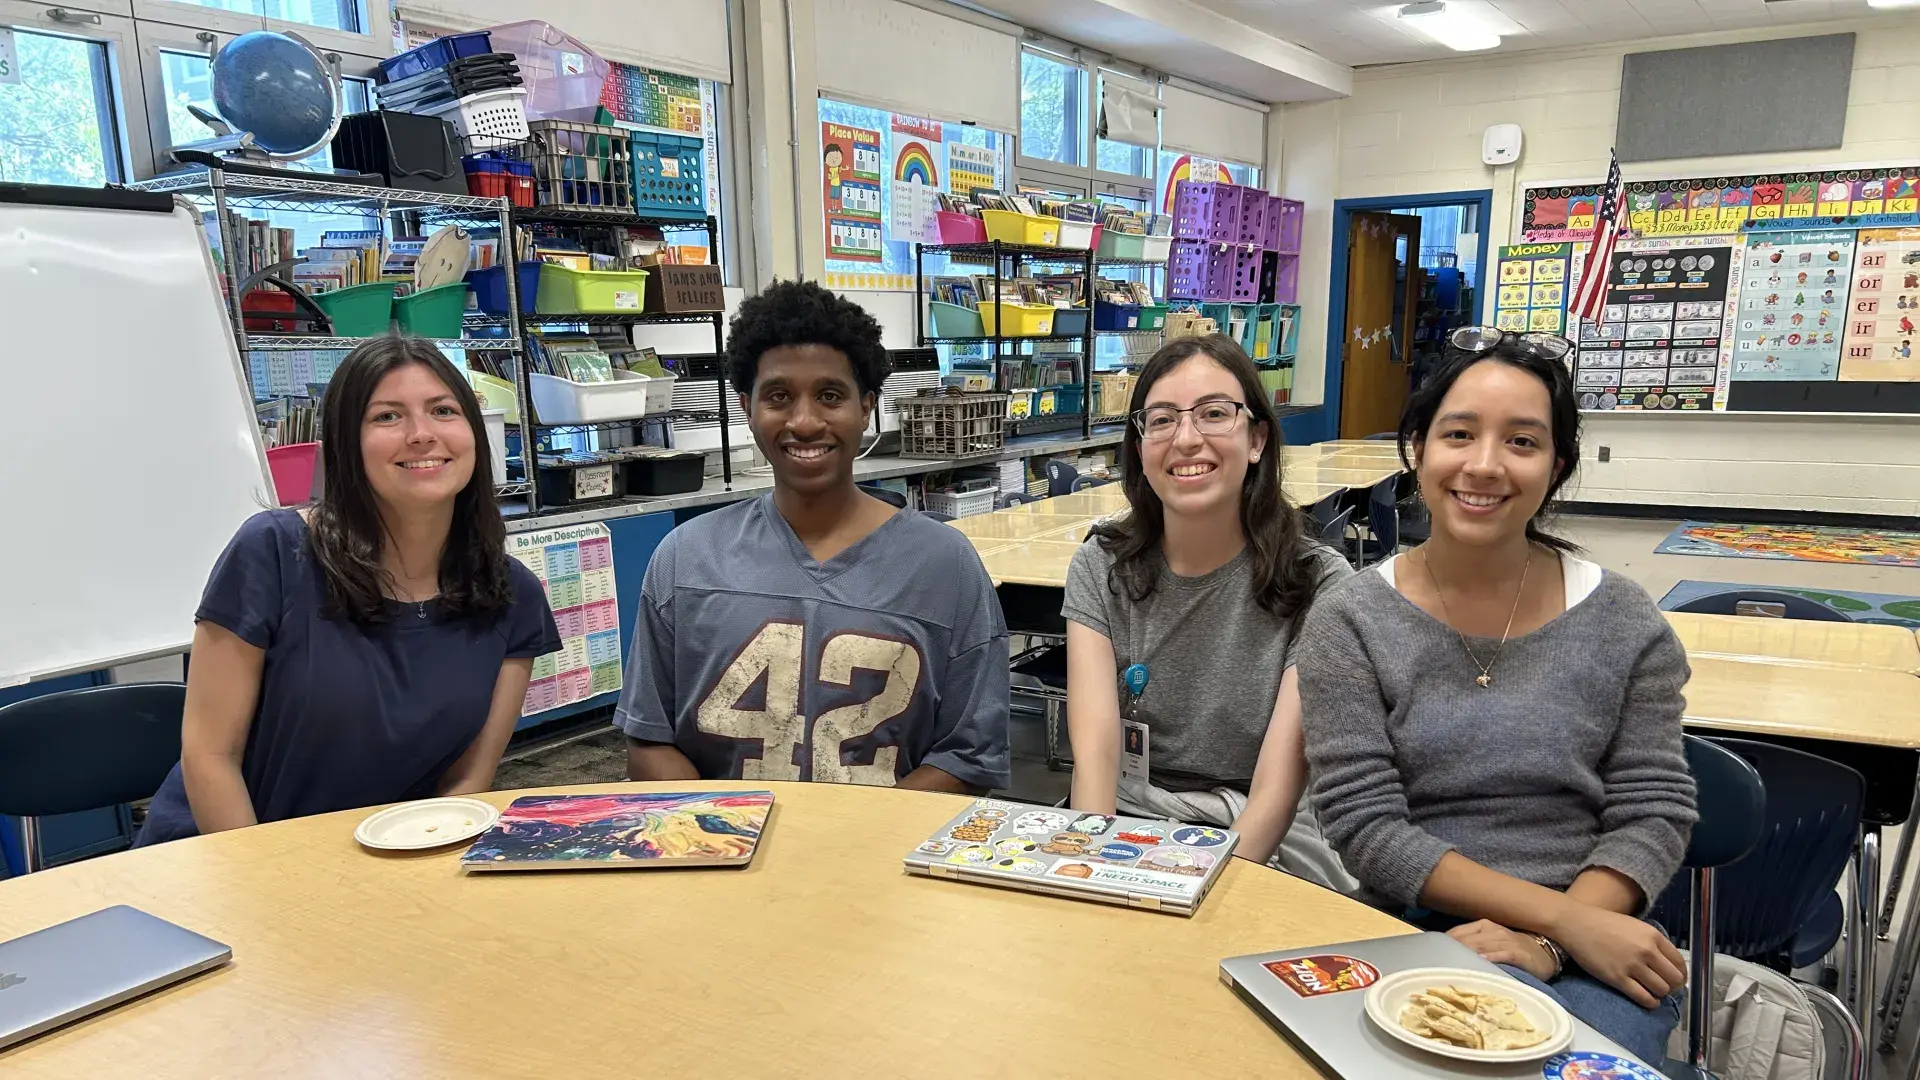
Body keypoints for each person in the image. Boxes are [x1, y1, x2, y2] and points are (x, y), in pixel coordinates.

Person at [1297, 327, 1698, 1064]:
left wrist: (1555, 939)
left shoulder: (1624, 621)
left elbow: (1653, 809)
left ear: (1558, 465)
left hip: (1597, 943)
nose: (1484, 465)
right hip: (1410, 925)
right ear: (1417, 448)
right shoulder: (1350, 619)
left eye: (1522, 442)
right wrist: (1556, 924)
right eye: (1458, 434)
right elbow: (1367, 828)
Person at [137, 337, 561, 845]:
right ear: (345, 443)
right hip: (223, 860)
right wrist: (266, 898)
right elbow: (210, 756)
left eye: (443, 410)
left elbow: (466, 786)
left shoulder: (511, 594)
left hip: (376, 868)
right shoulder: (273, 552)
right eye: (387, 417)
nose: (421, 434)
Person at [615, 280, 1009, 793]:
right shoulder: (685, 559)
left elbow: (969, 755)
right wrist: (722, 832)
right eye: (779, 396)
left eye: (830, 396)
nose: (803, 422)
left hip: (875, 860)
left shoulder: (944, 565)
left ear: (866, 406)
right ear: (746, 405)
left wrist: (848, 850)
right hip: (726, 858)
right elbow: (648, 739)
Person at [1061, 336, 1354, 889]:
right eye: (1162, 419)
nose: (1187, 439)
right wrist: (1090, 872)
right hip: (1132, 817)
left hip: (1268, 835)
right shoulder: (1101, 566)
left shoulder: (1319, 581)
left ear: (1257, 439)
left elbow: (1276, 789)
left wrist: (1199, 901)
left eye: (1215, 414)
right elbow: (1096, 753)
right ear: (1140, 443)